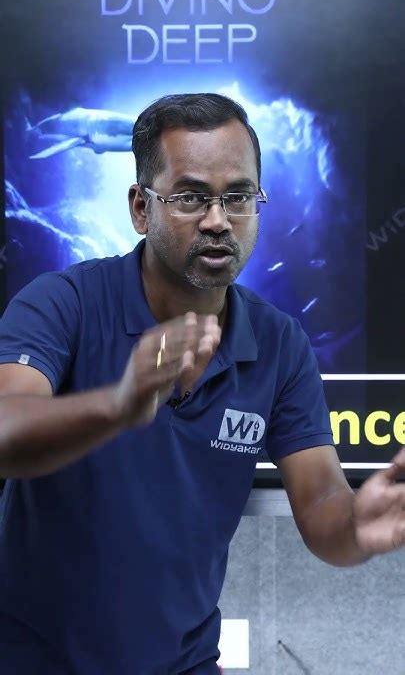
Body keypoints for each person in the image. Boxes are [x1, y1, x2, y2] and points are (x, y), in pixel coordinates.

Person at [0, 93, 404, 675]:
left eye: (238, 196)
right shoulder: (63, 303)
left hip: (184, 663)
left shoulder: (280, 343)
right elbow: (7, 429)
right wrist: (117, 406)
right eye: (190, 197)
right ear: (141, 208)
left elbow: (321, 503)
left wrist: (359, 526)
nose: (218, 221)